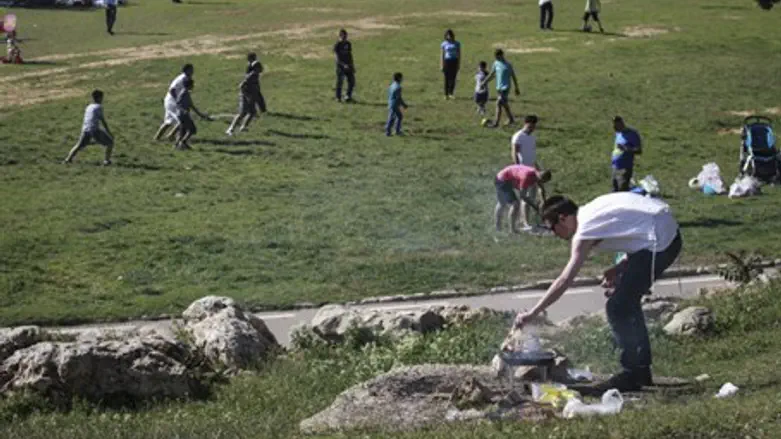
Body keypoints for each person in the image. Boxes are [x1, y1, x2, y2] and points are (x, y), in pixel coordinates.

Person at [514, 193, 682, 391]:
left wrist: (533, 312)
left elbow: (565, 280)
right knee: (625, 302)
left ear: (563, 218)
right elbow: (635, 230)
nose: (555, 234)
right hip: (666, 234)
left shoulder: (585, 228)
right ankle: (640, 371)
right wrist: (621, 268)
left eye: (553, 228)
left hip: (661, 243)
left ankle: (633, 374)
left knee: (618, 306)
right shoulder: (590, 211)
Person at [494, 164, 552, 233]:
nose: (542, 183)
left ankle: (500, 227)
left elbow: (541, 189)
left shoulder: (537, 174)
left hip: (509, 177)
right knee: (514, 204)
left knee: (502, 203)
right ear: (540, 176)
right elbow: (522, 196)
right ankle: (511, 229)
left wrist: (544, 203)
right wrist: (534, 206)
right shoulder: (527, 176)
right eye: (542, 181)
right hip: (502, 179)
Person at [63, 90, 114, 165]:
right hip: (94, 129)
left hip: (85, 129)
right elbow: (103, 121)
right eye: (102, 97)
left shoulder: (88, 106)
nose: (103, 99)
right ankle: (106, 161)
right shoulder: (99, 107)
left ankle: (67, 160)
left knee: (78, 145)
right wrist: (109, 133)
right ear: (99, 98)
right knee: (110, 143)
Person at [226, 52, 265, 136]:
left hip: (251, 92)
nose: (261, 69)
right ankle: (231, 129)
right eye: (259, 68)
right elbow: (245, 81)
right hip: (247, 92)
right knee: (243, 112)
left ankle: (243, 127)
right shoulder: (252, 74)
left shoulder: (254, 72)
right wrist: (245, 89)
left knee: (252, 112)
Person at [480, 49, 520, 128]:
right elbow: (492, 74)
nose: (496, 58)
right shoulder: (496, 63)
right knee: (504, 104)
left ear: (501, 55)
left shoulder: (508, 65)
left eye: (497, 57)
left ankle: (496, 123)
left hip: (505, 87)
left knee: (498, 102)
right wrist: (484, 82)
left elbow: (513, 76)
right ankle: (511, 119)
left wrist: (516, 87)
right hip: (499, 87)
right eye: (495, 57)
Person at [154, 64, 194, 141]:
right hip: (172, 102)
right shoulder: (182, 78)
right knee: (182, 120)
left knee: (169, 121)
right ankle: (170, 136)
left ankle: (158, 138)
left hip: (171, 101)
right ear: (186, 70)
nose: (193, 71)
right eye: (191, 70)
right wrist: (177, 101)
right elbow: (172, 90)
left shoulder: (186, 78)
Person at [174, 78, 211, 150]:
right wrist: (183, 110)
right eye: (192, 85)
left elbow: (191, 106)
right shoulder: (184, 93)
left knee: (182, 130)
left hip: (181, 114)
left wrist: (200, 115)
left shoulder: (186, 92)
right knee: (192, 129)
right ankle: (183, 142)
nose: (193, 86)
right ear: (189, 85)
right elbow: (178, 103)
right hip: (183, 115)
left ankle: (177, 145)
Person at [611, 116, 642, 192]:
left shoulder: (632, 134)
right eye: (614, 124)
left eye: (616, 124)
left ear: (621, 123)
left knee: (622, 191)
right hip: (615, 168)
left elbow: (639, 150)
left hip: (624, 168)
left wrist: (626, 149)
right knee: (614, 191)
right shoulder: (618, 134)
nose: (614, 126)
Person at [334, 29, 356, 103]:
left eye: (346, 35)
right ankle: (338, 97)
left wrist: (352, 65)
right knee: (340, 82)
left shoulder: (348, 44)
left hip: (349, 65)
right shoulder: (337, 45)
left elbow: (350, 54)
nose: (345, 37)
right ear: (340, 36)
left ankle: (348, 96)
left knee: (352, 81)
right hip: (340, 67)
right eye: (343, 36)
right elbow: (337, 58)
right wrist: (343, 65)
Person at [440, 29, 461, 100]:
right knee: (446, 78)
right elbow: (442, 55)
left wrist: (458, 64)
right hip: (447, 61)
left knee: (453, 78)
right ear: (446, 36)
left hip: (454, 61)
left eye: (450, 35)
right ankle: (445, 94)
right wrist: (442, 65)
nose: (449, 36)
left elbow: (459, 54)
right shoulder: (444, 44)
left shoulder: (457, 43)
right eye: (448, 35)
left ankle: (451, 93)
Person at [385, 72, 408, 137]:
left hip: (390, 103)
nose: (402, 79)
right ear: (399, 78)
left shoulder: (392, 85)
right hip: (394, 105)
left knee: (394, 117)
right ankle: (394, 131)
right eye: (401, 78)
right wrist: (404, 105)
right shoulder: (398, 87)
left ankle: (390, 131)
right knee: (396, 117)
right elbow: (399, 98)